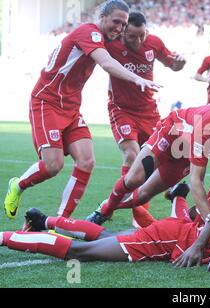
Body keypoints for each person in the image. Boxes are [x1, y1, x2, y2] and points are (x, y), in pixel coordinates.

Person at [3, 0, 160, 220]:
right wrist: (137, 78)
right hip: (46, 102)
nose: (119, 28)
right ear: (102, 17)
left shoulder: (104, 40)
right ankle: (18, 185)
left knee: (87, 161)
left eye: (123, 25)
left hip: (71, 108)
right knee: (53, 165)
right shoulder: (89, 32)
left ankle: (59, 221)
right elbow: (106, 63)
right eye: (116, 21)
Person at [86, 104, 210, 225]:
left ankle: (175, 195)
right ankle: (104, 211)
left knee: (144, 195)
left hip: (186, 153)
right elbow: (196, 181)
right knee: (134, 179)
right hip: (171, 134)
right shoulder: (206, 130)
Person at [0, 205, 210, 273]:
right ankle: (4, 237)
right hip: (167, 240)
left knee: (108, 236)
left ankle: (44, 222)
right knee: (82, 252)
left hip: (177, 231)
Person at [105, 12, 186, 226]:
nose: (138, 41)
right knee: (133, 156)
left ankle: (136, 201)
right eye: (133, 36)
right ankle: (138, 215)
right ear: (123, 31)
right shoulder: (110, 45)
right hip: (121, 109)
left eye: (142, 36)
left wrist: (180, 62)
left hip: (149, 111)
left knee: (162, 158)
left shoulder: (154, 43)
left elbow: (174, 65)